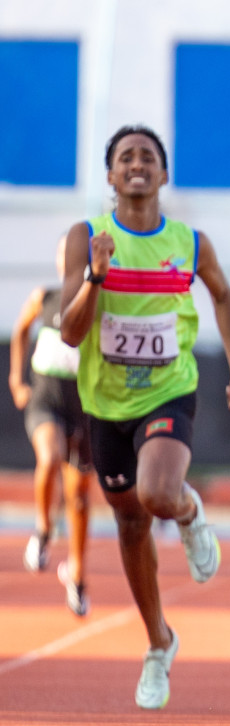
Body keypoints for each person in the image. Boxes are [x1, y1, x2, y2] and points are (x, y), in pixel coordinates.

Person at [59, 124, 230, 709]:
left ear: (163, 175)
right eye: (125, 157)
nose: (137, 163)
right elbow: (70, 333)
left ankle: (189, 512)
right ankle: (159, 642)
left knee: (159, 495)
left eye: (148, 156)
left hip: (169, 390)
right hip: (105, 403)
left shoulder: (191, 243)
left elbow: (222, 295)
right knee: (129, 524)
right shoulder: (86, 237)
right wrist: (96, 275)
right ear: (111, 177)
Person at [10, 236, 94, 616]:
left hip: (87, 408)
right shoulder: (43, 297)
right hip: (45, 400)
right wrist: (16, 379)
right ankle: (43, 530)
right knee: (50, 456)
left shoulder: (99, 304)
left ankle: (76, 574)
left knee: (78, 497)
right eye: (64, 254)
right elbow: (19, 331)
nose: (68, 261)